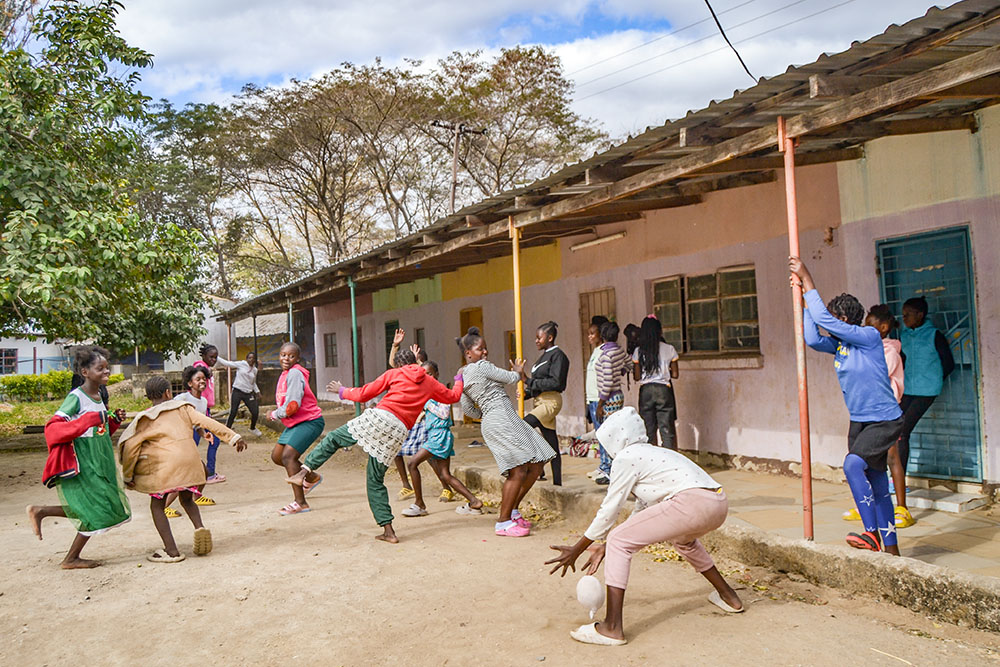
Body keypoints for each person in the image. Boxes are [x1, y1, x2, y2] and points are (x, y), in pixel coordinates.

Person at [545, 408, 742, 646]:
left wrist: (578, 548)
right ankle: (729, 596)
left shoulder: (626, 457)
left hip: (691, 503)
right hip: (717, 503)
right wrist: (604, 547)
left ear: (615, 439)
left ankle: (612, 627)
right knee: (684, 542)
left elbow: (609, 510)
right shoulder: (652, 453)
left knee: (619, 539)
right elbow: (642, 513)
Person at [286, 349, 465, 543]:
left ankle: (304, 472)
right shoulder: (430, 382)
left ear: (397, 364)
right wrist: (459, 377)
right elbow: (454, 396)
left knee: (335, 438)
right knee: (375, 480)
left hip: (380, 418)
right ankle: (389, 531)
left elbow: (365, 393)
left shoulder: (394, 373)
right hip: (399, 431)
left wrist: (341, 390)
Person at [790, 256, 903, 555]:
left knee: (853, 464)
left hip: (885, 419)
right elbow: (813, 338)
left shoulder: (868, 336)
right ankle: (891, 550)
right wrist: (803, 301)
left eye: (834, 317)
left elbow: (824, 322)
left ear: (845, 319)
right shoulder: (840, 345)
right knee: (877, 482)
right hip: (860, 421)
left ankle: (871, 534)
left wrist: (808, 278)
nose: (829, 321)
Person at [118, 376, 247, 563]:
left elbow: (131, 449)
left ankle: (171, 551)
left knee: (157, 506)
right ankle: (199, 527)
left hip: (164, 468)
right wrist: (233, 437)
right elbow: (208, 423)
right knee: (187, 498)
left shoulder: (145, 418)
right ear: (168, 393)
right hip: (191, 465)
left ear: (148, 397)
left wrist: (128, 475)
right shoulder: (184, 408)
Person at [27, 347, 131, 569]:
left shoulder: (101, 395)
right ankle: (71, 558)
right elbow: (53, 428)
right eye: (100, 368)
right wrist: (92, 418)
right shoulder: (76, 397)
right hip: (84, 460)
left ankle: (42, 511)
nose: (106, 372)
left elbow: (99, 431)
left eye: (107, 367)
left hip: (100, 456)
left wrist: (113, 421)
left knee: (97, 505)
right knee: (94, 506)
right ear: (85, 371)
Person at [456, 327, 554, 537]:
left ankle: (513, 511)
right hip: (501, 417)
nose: (485, 352)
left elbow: (469, 409)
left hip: (499, 418)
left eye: (485, 349)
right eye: (480, 349)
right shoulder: (481, 366)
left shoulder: (461, 377)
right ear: (468, 354)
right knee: (518, 470)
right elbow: (510, 377)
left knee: (537, 463)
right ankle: (502, 522)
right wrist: (518, 370)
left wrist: (488, 413)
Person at [843, 305, 912, 527]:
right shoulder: (870, 348)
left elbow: (877, 372)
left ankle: (902, 508)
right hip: (866, 411)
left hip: (885, 413)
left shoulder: (889, 351)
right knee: (864, 458)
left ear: (883, 328)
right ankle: (866, 501)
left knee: (892, 457)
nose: (865, 329)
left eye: (870, 325)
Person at [402, 360, 485, 518]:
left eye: (430, 373)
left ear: (437, 374)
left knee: (412, 463)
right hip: (435, 435)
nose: (427, 377)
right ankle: (474, 501)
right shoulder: (427, 392)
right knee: (445, 474)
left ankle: (419, 504)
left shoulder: (440, 391)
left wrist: (426, 403)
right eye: (424, 374)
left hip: (440, 436)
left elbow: (445, 413)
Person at [898, 295, 955, 520]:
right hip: (909, 389)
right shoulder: (904, 335)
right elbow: (902, 360)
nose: (904, 319)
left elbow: (948, 363)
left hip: (926, 390)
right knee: (896, 431)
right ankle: (898, 479)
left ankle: (899, 480)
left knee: (903, 431)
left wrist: (934, 379)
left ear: (920, 315)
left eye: (907, 315)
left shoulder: (934, 335)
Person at [268, 342, 326, 516]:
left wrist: (274, 414)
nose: (286, 358)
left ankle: (300, 502)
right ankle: (311, 477)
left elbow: (292, 405)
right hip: (296, 422)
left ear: (297, 358)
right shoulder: (286, 374)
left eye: (291, 356)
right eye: (283, 355)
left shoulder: (295, 373)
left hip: (310, 421)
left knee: (288, 457)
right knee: (277, 456)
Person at [522, 321, 569, 485]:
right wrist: (526, 394)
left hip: (551, 402)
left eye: (539, 338)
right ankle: (557, 483)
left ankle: (536, 462)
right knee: (553, 445)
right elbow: (538, 383)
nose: (536, 341)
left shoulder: (559, 356)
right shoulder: (542, 357)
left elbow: (556, 382)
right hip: (539, 401)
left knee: (523, 426)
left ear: (550, 337)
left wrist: (527, 381)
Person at [170, 366, 218, 513]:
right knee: (184, 478)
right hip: (179, 443)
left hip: (189, 443)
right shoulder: (182, 399)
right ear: (190, 383)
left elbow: (197, 424)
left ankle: (197, 497)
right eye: (198, 379)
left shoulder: (203, 402)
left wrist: (204, 434)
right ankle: (165, 507)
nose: (202, 381)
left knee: (203, 471)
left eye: (204, 379)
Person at [632, 316, 680, 448]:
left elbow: (636, 377)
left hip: (646, 391)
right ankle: (670, 461)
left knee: (648, 430)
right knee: (666, 429)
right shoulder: (669, 349)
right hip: (664, 390)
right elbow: (675, 374)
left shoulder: (638, 351)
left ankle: (651, 461)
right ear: (660, 331)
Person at [593, 321, 629, 484]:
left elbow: (607, 383)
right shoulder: (619, 350)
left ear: (603, 335)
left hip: (609, 398)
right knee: (614, 433)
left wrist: (600, 404)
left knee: (609, 434)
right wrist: (620, 372)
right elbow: (628, 364)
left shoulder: (606, 355)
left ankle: (611, 471)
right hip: (617, 395)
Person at [193, 343, 224, 484]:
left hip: (205, 410)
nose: (213, 360)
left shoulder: (206, 369)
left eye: (215, 357)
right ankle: (208, 473)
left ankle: (204, 473)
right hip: (199, 411)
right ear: (204, 356)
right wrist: (206, 372)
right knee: (210, 440)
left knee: (196, 442)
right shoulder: (200, 367)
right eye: (211, 357)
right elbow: (198, 370)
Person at [216, 352, 262, 436]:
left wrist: (257, 391)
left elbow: (253, 382)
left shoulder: (255, 370)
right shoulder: (241, 364)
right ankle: (227, 430)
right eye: (249, 358)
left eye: (253, 358)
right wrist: (216, 357)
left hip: (248, 393)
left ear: (255, 360)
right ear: (246, 359)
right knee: (233, 411)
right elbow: (228, 363)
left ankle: (252, 428)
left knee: (255, 411)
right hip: (237, 391)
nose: (251, 360)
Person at [584, 317, 607, 481]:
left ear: (601, 334)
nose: (590, 337)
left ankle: (607, 468)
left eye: (593, 333)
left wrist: (600, 402)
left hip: (599, 400)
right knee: (599, 434)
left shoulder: (604, 351)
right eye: (588, 334)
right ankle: (602, 465)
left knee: (605, 435)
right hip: (591, 399)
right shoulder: (595, 351)